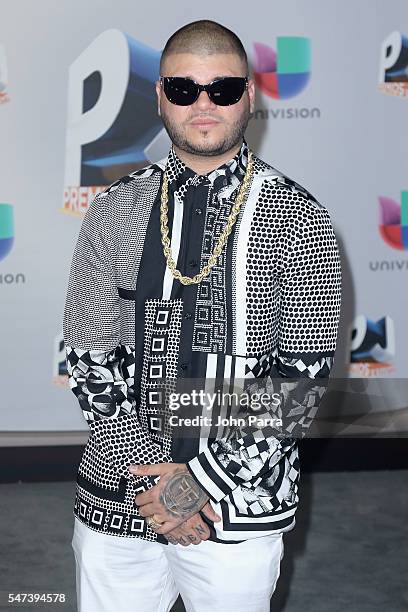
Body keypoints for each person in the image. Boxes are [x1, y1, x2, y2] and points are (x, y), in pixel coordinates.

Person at [63, 18, 342, 612]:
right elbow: (87, 351)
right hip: (117, 500)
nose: (204, 103)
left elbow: (300, 380)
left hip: (238, 512)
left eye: (223, 87)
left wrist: (194, 487)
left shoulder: (298, 216)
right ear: (161, 96)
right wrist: (150, 473)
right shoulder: (117, 205)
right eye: (185, 89)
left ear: (250, 95)